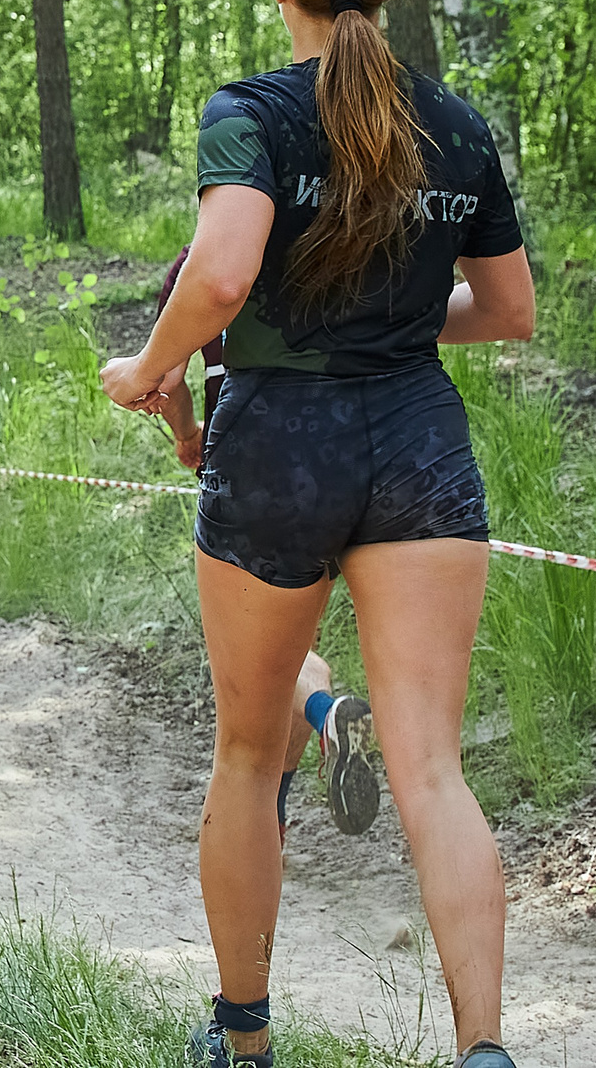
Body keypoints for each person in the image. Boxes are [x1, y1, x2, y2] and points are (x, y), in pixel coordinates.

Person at [99, 0, 534, 1068]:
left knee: (247, 754)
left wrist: (148, 366)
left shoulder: (250, 111)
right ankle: (483, 1049)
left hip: (281, 444)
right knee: (433, 769)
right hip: (418, 446)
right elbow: (507, 311)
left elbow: (227, 272)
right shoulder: (454, 123)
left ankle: (244, 1042)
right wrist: (384, 326)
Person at [150, 246, 379, 840]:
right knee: (296, 646)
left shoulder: (202, 263)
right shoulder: (325, 239)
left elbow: (166, 374)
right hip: (348, 457)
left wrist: (185, 434)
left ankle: (317, 732)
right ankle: (279, 808)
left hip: (252, 456)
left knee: (264, 657)